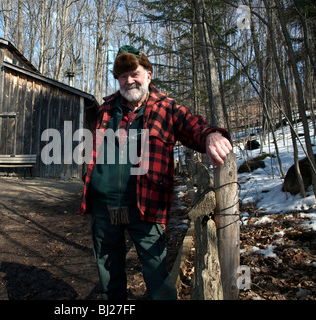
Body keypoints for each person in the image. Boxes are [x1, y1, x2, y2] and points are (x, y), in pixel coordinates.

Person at [78, 45, 232, 300]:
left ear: (149, 74)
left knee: (158, 277)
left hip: (146, 207)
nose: (129, 80)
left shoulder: (167, 108)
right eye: (122, 76)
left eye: (134, 73)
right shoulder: (106, 109)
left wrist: (211, 135)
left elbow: (194, 125)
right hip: (104, 209)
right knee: (108, 276)